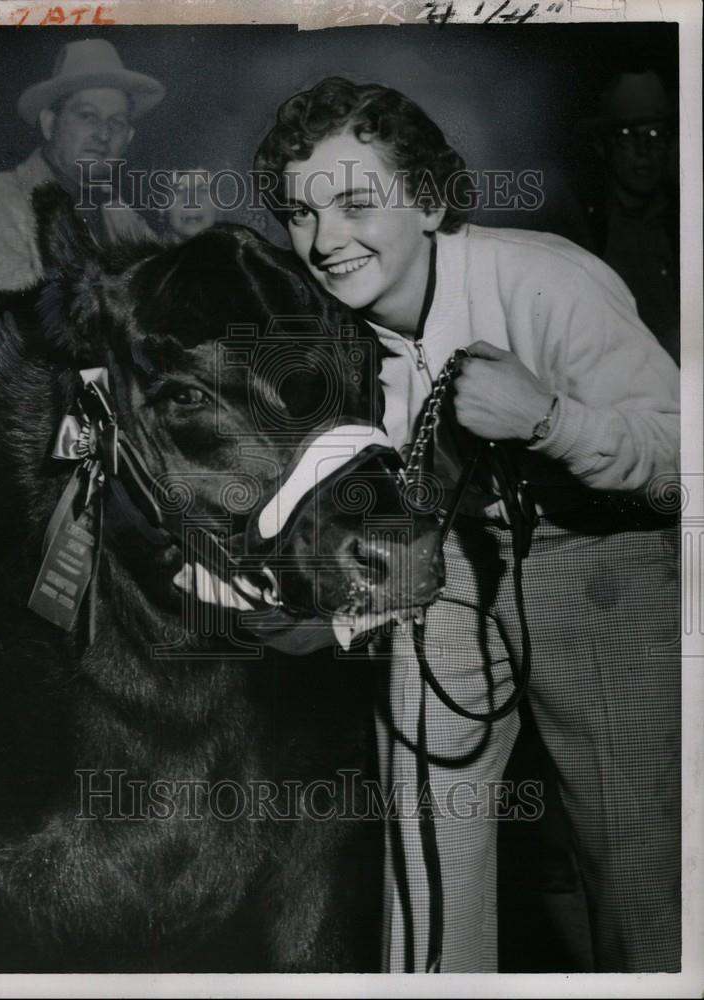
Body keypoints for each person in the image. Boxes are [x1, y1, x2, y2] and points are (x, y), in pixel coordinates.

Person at [244, 78, 680, 974]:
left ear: (432, 199)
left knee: (640, 867)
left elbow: (682, 461)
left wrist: (550, 420)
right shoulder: (314, 328)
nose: (324, 242)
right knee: (426, 853)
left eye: (357, 203)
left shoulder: (547, 280)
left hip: (602, 560)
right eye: (298, 214)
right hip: (440, 571)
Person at [0, 38, 163, 292]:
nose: (104, 135)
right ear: (50, 124)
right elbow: (9, 323)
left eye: (116, 122)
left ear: (128, 138)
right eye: (87, 116)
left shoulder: (120, 216)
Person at [577, 70, 680, 364]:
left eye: (655, 134)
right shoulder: (585, 228)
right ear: (601, 145)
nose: (643, 150)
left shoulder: (679, 226)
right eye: (626, 136)